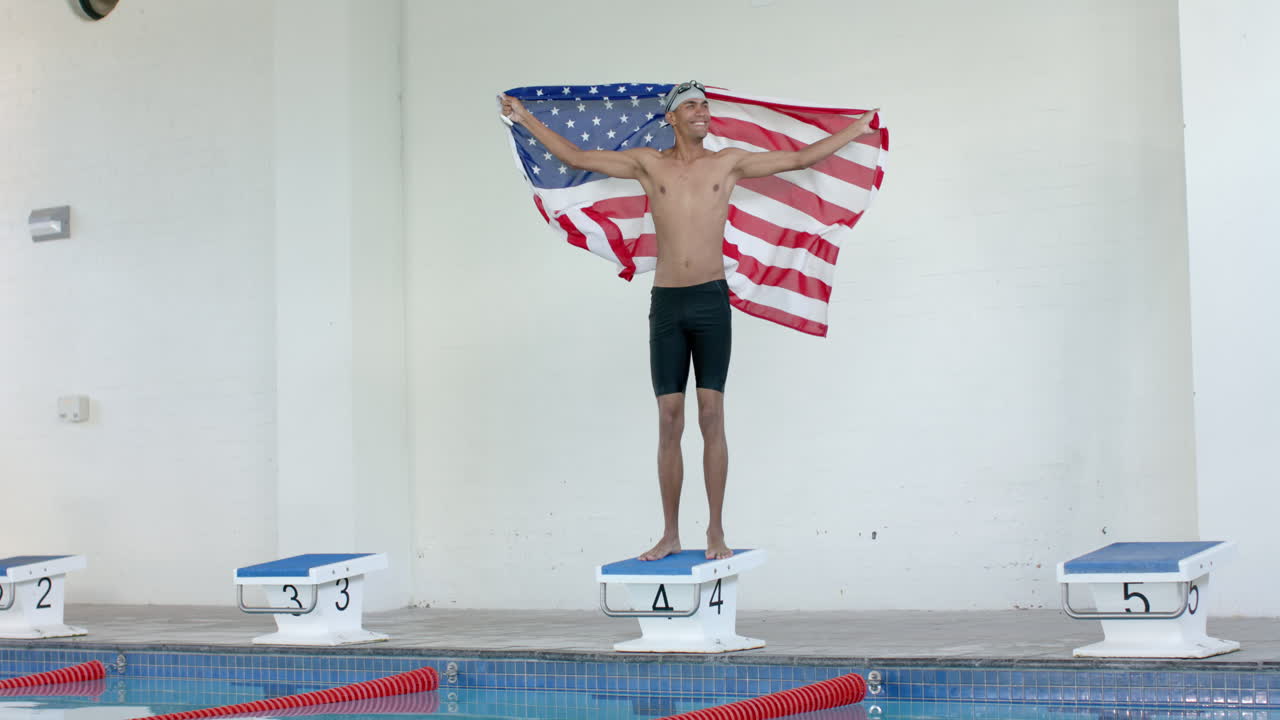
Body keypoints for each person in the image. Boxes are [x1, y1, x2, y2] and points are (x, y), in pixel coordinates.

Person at [499, 81, 878, 561]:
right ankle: (670, 533)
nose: (703, 112)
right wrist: (524, 118)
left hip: (710, 300)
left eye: (705, 105)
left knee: (711, 414)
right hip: (668, 305)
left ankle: (716, 530)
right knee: (668, 419)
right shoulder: (647, 163)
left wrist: (853, 130)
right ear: (672, 118)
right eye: (692, 106)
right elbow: (575, 157)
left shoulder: (729, 162)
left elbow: (801, 158)